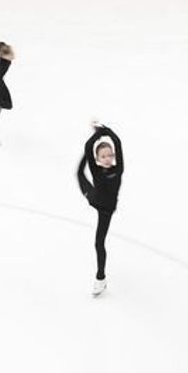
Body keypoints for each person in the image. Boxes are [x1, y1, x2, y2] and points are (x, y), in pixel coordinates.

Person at [75, 121, 124, 297]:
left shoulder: (118, 169)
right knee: (79, 174)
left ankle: (100, 278)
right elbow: (89, 146)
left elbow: (117, 143)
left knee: (98, 243)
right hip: (94, 198)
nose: (107, 158)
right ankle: (85, 160)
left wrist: (107, 131)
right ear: (97, 159)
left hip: (106, 210)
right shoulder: (96, 170)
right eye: (103, 156)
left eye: (109, 155)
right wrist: (98, 134)